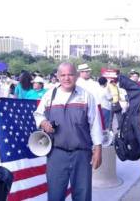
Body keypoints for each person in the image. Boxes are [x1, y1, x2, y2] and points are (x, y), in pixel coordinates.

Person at [34, 62, 102, 201]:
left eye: (70, 74)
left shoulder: (86, 96)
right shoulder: (49, 96)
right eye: (63, 75)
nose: (66, 78)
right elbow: (38, 114)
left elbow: (95, 124)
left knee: (82, 196)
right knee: (55, 195)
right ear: (58, 76)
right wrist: (43, 122)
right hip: (56, 154)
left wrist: (98, 149)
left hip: (82, 154)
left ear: (77, 76)